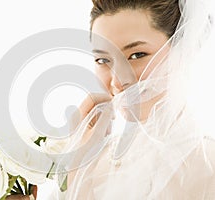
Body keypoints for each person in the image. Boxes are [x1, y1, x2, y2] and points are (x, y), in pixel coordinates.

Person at [13, 0, 215, 199]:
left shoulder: (208, 165)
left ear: (181, 49)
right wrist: (79, 167)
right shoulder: (91, 160)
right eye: (103, 60)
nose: (118, 80)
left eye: (137, 55)